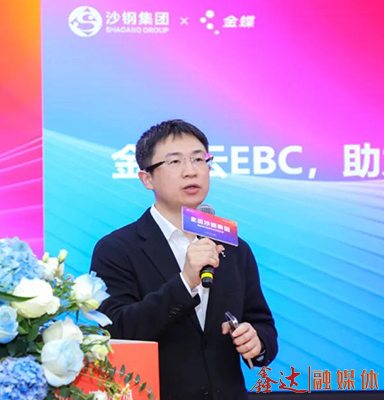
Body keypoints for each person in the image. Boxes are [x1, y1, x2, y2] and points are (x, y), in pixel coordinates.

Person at [90, 119, 277, 400]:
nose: (191, 171)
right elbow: (116, 331)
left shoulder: (234, 247)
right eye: (175, 162)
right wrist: (185, 281)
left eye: (199, 159)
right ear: (147, 179)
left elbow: (262, 323)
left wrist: (256, 341)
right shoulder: (116, 249)